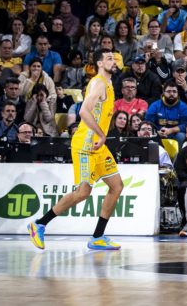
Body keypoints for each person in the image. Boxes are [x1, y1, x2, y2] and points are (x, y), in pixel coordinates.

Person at [27, 49, 125, 251]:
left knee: (116, 186)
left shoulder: (108, 83)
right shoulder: (98, 83)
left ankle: (98, 236)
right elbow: (83, 111)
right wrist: (100, 134)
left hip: (99, 147)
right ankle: (39, 224)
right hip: (86, 145)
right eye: (108, 58)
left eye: (114, 58)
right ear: (99, 63)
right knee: (82, 193)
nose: (113, 61)